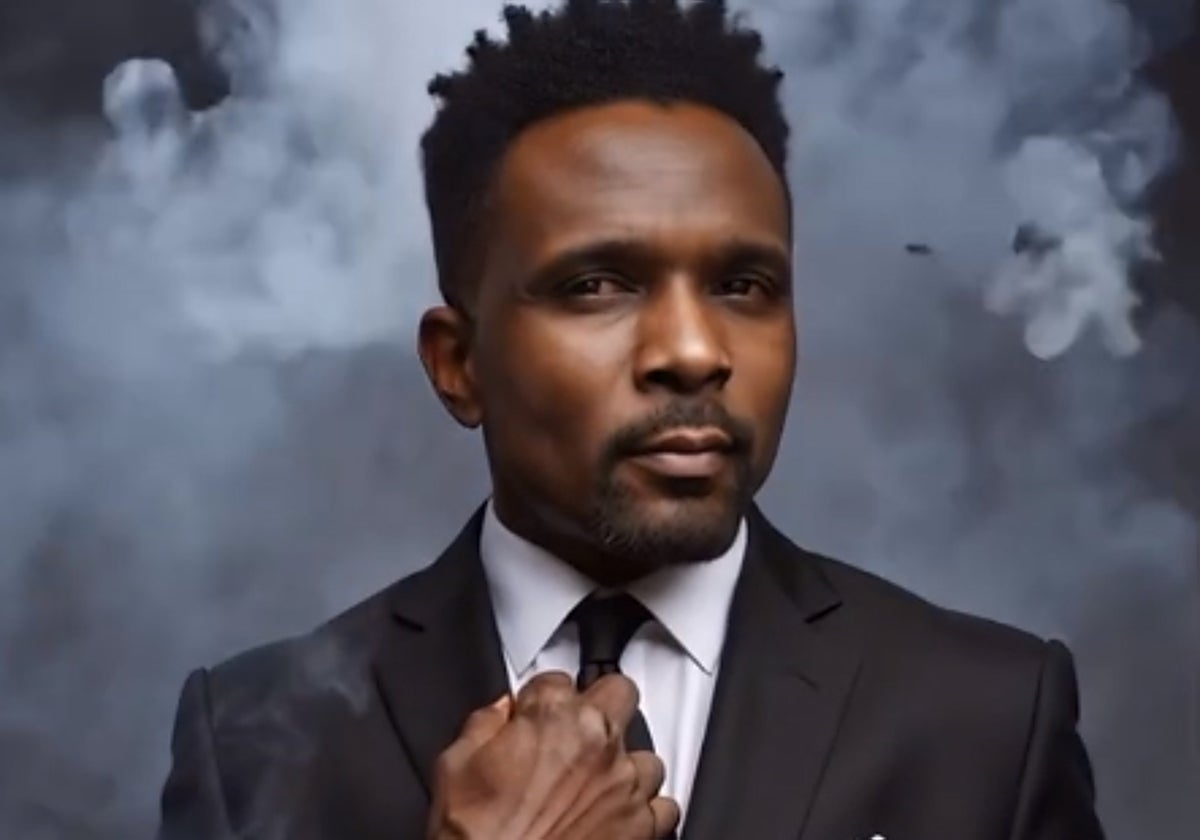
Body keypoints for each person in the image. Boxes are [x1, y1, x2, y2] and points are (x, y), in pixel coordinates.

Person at [156, 1, 1107, 838]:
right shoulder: (253, 741)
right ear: (457, 364)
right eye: (598, 285)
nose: (693, 350)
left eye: (744, 284)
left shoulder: (986, 718)